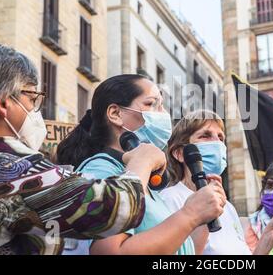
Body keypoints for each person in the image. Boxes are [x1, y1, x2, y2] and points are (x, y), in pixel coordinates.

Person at [0, 42, 157, 255]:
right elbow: (110, 210)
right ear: (4, 103)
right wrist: (142, 162)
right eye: (32, 98)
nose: (35, 110)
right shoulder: (5, 163)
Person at [57, 75, 225, 255]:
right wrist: (190, 215)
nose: (163, 114)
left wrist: (204, 213)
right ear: (115, 114)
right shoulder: (100, 171)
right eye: (152, 104)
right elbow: (110, 252)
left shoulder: (141, 179)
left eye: (162, 105)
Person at [161, 110, 273, 255]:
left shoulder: (228, 207)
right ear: (180, 153)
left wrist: (269, 237)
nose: (216, 143)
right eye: (205, 136)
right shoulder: (169, 199)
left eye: (220, 138)